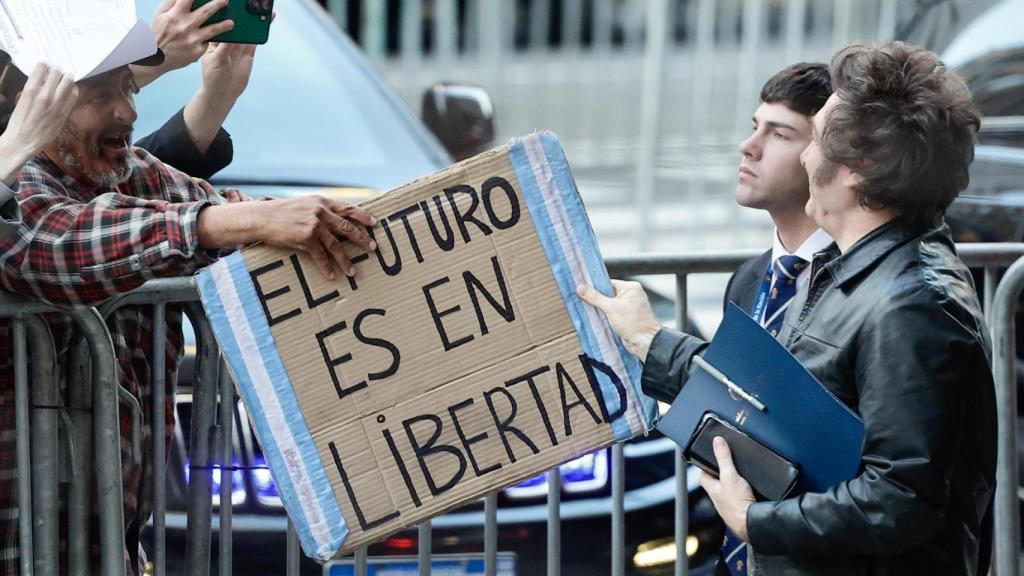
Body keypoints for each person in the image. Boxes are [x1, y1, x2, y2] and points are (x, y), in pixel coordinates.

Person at [580, 41, 995, 575]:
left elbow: (898, 500)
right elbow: (769, 404)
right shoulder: (856, 273)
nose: (803, 156)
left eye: (815, 139)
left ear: (858, 168)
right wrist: (649, 343)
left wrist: (756, 521)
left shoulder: (914, 306)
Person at [0, 50, 375, 576]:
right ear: (37, 106)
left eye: (129, 89)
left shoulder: (129, 172)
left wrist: (328, 221)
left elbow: (226, 209)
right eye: (100, 96)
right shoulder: (16, 189)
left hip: (108, 541)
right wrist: (231, 223)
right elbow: (51, 241)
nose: (128, 112)